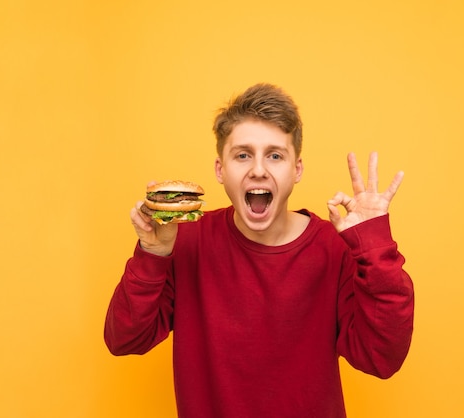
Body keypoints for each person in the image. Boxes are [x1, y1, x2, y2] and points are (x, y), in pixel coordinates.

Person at [104, 83, 414, 418]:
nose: (258, 170)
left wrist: (373, 245)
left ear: (296, 170)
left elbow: (381, 358)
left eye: (275, 155)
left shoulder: (332, 248)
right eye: (242, 155)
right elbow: (125, 340)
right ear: (220, 169)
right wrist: (153, 255)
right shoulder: (185, 239)